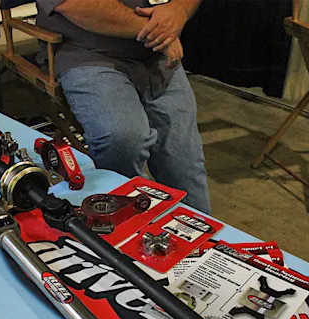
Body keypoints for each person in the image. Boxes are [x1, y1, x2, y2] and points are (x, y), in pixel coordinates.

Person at [36, 0, 211, 214]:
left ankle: (199, 230)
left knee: (185, 165)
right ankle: (119, 220)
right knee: (123, 140)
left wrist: (179, 10)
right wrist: (159, 30)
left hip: (159, 54)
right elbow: (74, 3)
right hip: (89, 51)